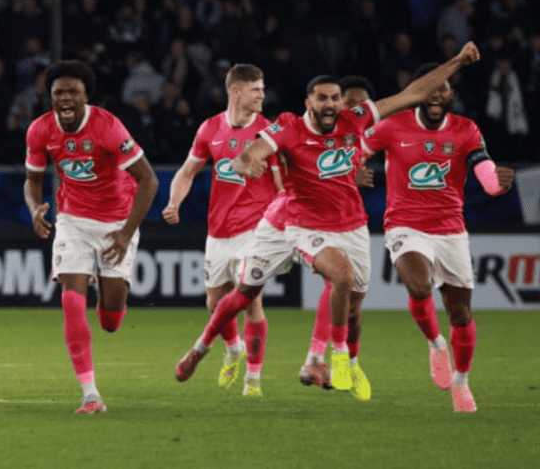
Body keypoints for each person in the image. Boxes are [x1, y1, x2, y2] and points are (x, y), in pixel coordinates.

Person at [175, 42, 481, 399]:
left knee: (353, 305)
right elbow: (248, 153)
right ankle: (207, 347)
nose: (331, 105)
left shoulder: (355, 121)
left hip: (350, 225)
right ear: (309, 103)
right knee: (265, 289)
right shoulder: (288, 126)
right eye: (322, 99)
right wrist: (247, 164)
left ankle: (343, 362)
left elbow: (413, 93)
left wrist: (458, 61)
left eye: (336, 99)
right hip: (296, 221)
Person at [361, 62, 513, 413]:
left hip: (450, 230)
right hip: (404, 224)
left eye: (444, 88)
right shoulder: (391, 127)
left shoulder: (465, 129)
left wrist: (494, 185)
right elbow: (355, 153)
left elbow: (483, 165)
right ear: (418, 90)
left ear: (450, 94)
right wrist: (353, 169)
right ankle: (434, 342)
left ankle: (461, 383)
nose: (437, 94)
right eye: (431, 87)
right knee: (418, 285)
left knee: (460, 312)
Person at [24, 60, 159, 413]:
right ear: (49, 96)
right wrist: (34, 207)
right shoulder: (40, 131)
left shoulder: (109, 128)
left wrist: (127, 234)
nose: (65, 99)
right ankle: (90, 395)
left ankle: (111, 297)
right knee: (71, 300)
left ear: (86, 96)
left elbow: (149, 181)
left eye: (73, 92)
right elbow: (33, 179)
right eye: (58, 93)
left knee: (110, 321)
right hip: (73, 221)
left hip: (117, 223)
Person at [163, 64, 282, 396]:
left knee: (251, 300)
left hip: (257, 230)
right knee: (215, 301)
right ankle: (233, 349)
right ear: (236, 91)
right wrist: (174, 203)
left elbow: (281, 182)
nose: (262, 95)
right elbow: (187, 172)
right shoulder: (210, 128)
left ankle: (253, 381)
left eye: (263, 89)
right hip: (218, 230)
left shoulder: (269, 132)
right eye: (256, 89)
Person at [299, 74, 377, 388]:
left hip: (351, 222)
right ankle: (321, 360)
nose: (354, 107)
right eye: (350, 101)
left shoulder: (366, 134)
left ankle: (334, 361)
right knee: (336, 282)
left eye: (361, 103)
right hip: (308, 220)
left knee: (351, 302)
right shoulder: (318, 130)